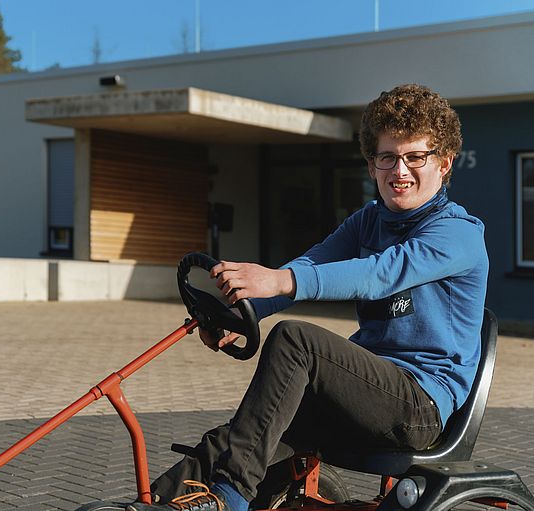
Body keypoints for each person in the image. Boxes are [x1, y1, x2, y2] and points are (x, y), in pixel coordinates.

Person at [129, 83, 489, 511]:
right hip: (366, 394)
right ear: (372, 163)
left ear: (444, 163)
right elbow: (312, 264)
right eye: (387, 157)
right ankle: (153, 503)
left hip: (420, 405)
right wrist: (242, 312)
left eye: (415, 157)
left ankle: (228, 498)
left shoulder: (459, 233)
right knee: (239, 437)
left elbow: (380, 275)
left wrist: (277, 283)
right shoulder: (367, 220)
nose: (400, 171)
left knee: (296, 342)